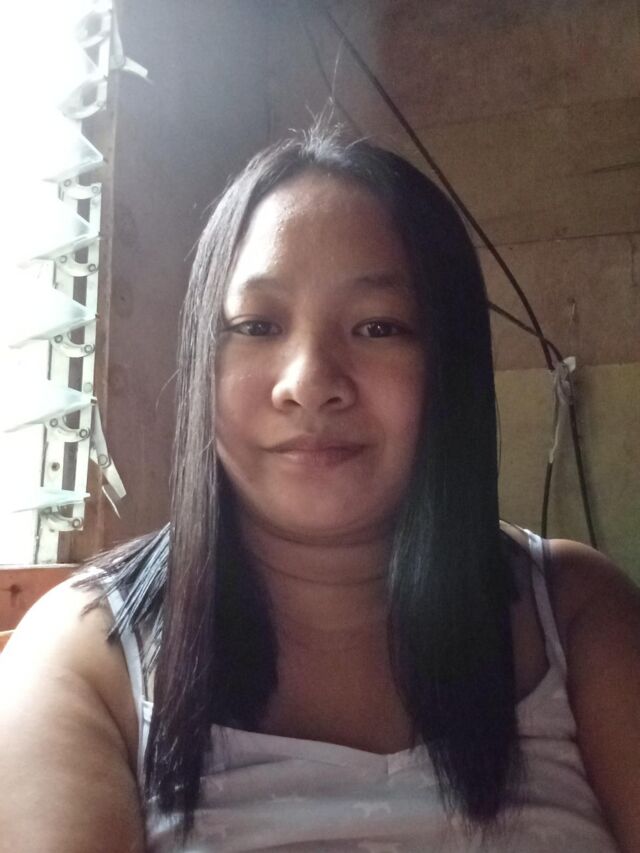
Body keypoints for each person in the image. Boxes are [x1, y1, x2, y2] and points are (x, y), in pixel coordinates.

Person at [1, 125, 639, 853]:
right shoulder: (83, 655)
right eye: (256, 324)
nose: (308, 383)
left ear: (451, 361)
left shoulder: (580, 615)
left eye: (378, 327)